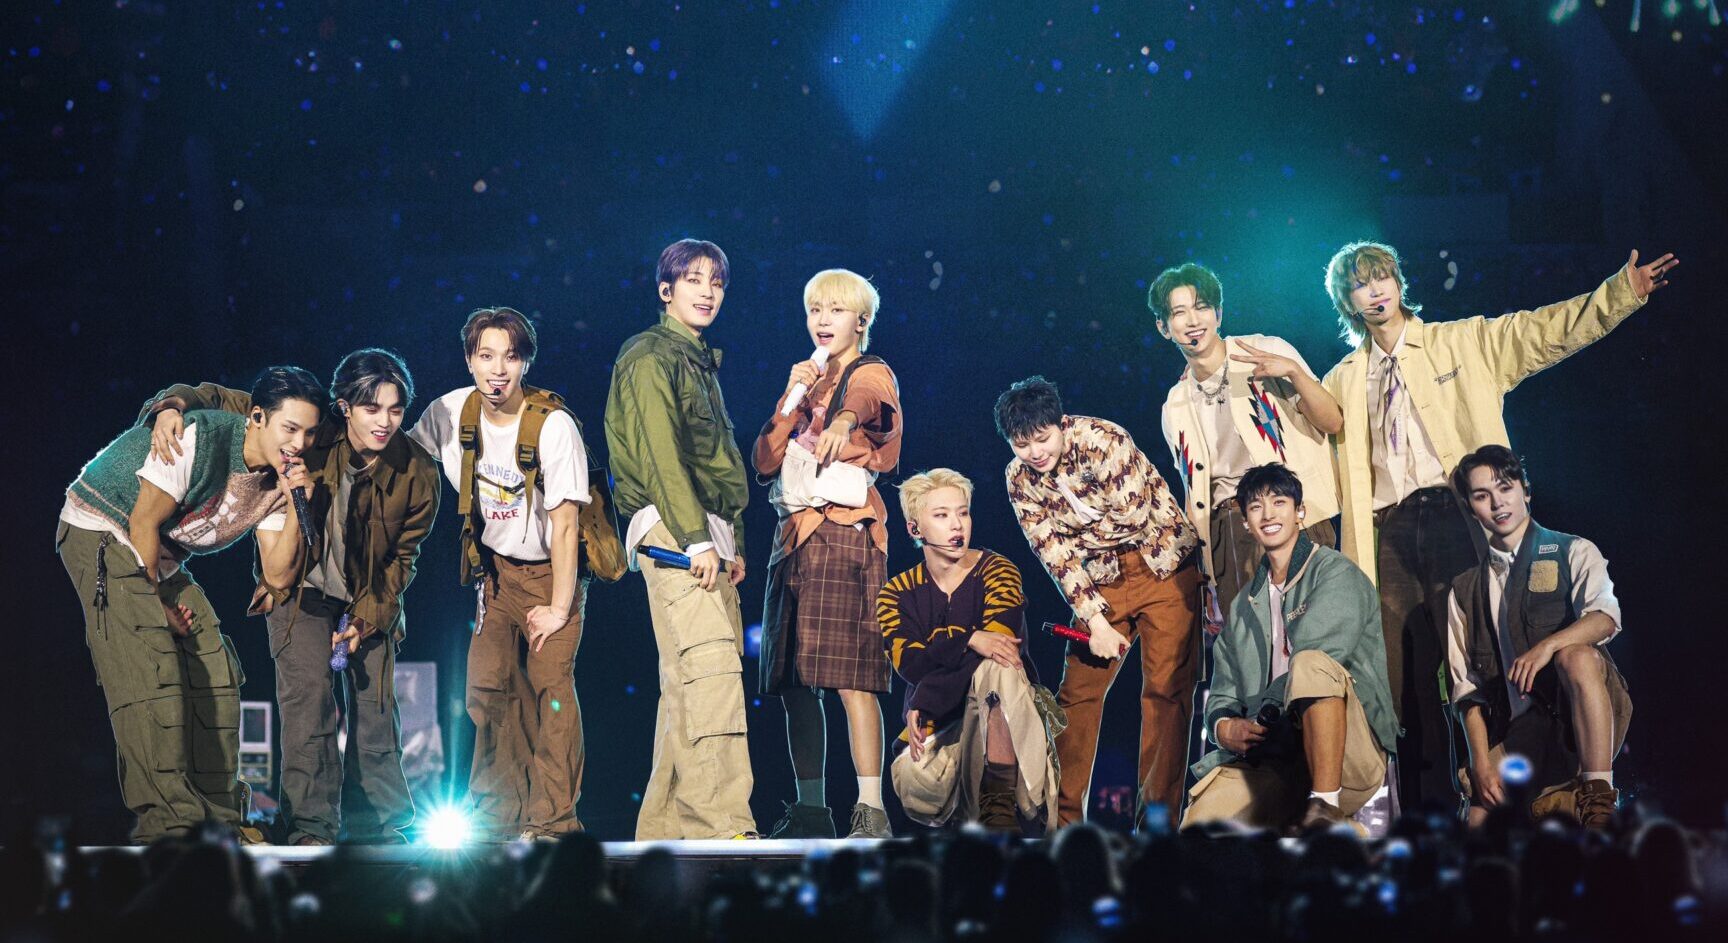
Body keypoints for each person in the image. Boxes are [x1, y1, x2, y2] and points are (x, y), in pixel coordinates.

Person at [1319, 241, 1675, 807]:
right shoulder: (1340, 379)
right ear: (1347, 301)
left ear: (1399, 282)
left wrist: (1618, 295)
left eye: (1381, 276)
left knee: (1480, 662)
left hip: (1459, 518)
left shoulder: (1462, 341)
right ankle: (1427, 820)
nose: (1375, 290)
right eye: (1360, 284)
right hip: (1389, 534)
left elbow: (1542, 332)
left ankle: (1495, 803)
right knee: (1403, 680)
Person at [139, 349, 441, 845]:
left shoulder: (418, 472)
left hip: (368, 599)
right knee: (309, 701)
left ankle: (380, 830)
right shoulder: (311, 432)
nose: (384, 421)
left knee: (376, 709)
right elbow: (227, 400)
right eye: (371, 408)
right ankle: (310, 829)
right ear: (345, 407)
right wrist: (170, 406)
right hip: (300, 589)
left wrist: (368, 617)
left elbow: (401, 559)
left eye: (395, 409)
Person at [57, 365, 326, 843]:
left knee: (215, 672)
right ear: (257, 418)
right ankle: (170, 826)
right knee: (152, 668)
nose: (299, 444)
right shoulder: (202, 439)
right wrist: (156, 605)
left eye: (309, 433)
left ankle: (217, 825)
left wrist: (292, 504)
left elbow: (278, 575)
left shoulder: (280, 480)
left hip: (155, 550)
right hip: (103, 526)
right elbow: (142, 522)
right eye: (290, 429)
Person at [410, 308, 591, 840]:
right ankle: (496, 820)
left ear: (525, 363)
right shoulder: (448, 413)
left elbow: (565, 527)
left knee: (550, 691)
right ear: (469, 359)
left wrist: (558, 608)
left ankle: (553, 823)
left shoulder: (553, 426)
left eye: (510, 357)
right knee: (487, 689)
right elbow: (400, 457)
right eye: (486, 356)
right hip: (495, 577)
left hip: (551, 575)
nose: (497, 370)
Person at [997, 375, 1201, 825]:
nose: (1035, 452)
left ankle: (1157, 825)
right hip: (1100, 581)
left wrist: (1073, 541)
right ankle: (1064, 825)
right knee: (1076, 695)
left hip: (1162, 565)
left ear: (1060, 423)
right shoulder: (1017, 478)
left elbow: (1132, 517)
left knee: (1166, 693)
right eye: (1022, 444)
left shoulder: (1103, 439)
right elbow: (1051, 553)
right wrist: (1096, 620)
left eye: (1042, 438)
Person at [605, 238, 756, 839]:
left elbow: (718, 464)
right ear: (665, 290)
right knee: (709, 674)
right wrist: (696, 540)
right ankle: (721, 825)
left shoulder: (696, 360)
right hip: (676, 529)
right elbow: (661, 455)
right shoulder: (649, 355)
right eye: (693, 279)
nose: (707, 291)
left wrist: (731, 541)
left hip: (703, 531)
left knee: (686, 684)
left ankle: (665, 831)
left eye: (716, 282)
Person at [753, 269, 902, 839]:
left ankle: (871, 808)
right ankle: (811, 807)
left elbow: (872, 402)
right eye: (815, 309)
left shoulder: (871, 371)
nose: (823, 319)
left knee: (851, 677)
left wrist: (841, 417)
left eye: (836, 310)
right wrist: (791, 401)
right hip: (793, 537)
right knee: (794, 680)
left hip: (844, 535)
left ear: (860, 320)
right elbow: (764, 459)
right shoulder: (805, 380)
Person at [1182, 464, 1397, 833]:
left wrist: (1267, 710)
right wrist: (1223, 726)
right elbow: (1223, 692)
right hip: (1276, 756)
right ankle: (1341, 834)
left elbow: (1320, 656)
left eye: (1279, 502)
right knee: (1201, 826)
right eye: (1256, 507)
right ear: (1246, 523)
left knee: (1311, 664)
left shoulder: (1335, 572)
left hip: (1349, 753)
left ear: (1300, 512)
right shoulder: (1243, 605)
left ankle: (1326, 808)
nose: (1268, 515)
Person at [1444, 445, 1632, 828]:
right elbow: (1466, 690)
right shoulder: (1463, 590)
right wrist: (1480, 764)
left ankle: (1598, 797)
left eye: (1505, 487)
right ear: (1470, 508)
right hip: (1522, 730)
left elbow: (1605, 618)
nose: (1498, 503)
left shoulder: (1572, 549)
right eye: (1482, 495)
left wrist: (1549, 646)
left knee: (1576, 656)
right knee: (1476, 821)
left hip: (1580, 711)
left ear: (1525, 490)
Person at [1150, 261, 1341, 619]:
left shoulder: (1263, 350)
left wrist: (1294, 373)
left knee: (1316, 630)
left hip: (1294, 514)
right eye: (1179, 313)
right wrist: (1206, 576)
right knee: (1251, 644)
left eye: (1201, 307)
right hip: (1230, 533)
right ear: (1163, 327)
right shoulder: (1174, 405)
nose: (1193, 321)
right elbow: (1195, 494)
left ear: (1218, 314)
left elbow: (1332, 421)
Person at [879, 469, 1059, 833]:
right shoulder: (895, 593)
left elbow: (1000, 645)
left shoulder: (999, 571)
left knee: (998, 667)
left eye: (963, 512)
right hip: (938, 733)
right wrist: (970, 639)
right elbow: (910, 663)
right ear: (915, 529)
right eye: (941, 515)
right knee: (914, 781)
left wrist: (925, 698)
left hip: (1006, 722)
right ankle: (970, 813)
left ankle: (998, 806)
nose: (957, 524)